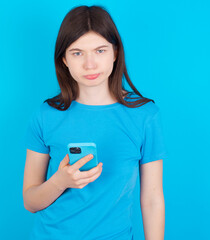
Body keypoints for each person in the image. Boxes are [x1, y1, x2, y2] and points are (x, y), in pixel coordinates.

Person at [22, 5, 168, 240]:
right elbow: (30, 201)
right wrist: (60, 182)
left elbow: (152, 199)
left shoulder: (145, 116)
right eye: (77, 53)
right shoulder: (46, 114)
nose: (90, 65)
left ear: (115, 53)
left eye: (100, 51)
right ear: (64, 59)